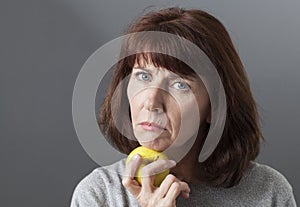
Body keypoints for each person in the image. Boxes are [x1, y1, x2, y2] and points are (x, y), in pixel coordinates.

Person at [70, 7, 297, 207]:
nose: (151, 102)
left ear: (215, 106)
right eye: (143, 76)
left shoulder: (268, 193)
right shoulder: (100, 194)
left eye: (179, 84)